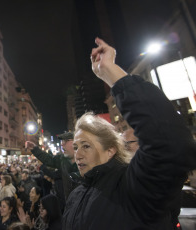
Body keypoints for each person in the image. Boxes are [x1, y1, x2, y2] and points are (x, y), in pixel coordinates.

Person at [62, 38, 196, 229]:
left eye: (86, 146)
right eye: (76, 147)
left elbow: (171, 144)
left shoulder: (133, 188)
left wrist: (111, 74)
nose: (78, 154)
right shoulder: (77, 194)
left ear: (111, 150)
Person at [26, 131, 79, 201]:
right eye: (62, 141)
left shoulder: (88, 163)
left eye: (66, 141)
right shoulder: (62, 159)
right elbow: (49, 159)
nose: (62, 144)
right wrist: (35, 149)